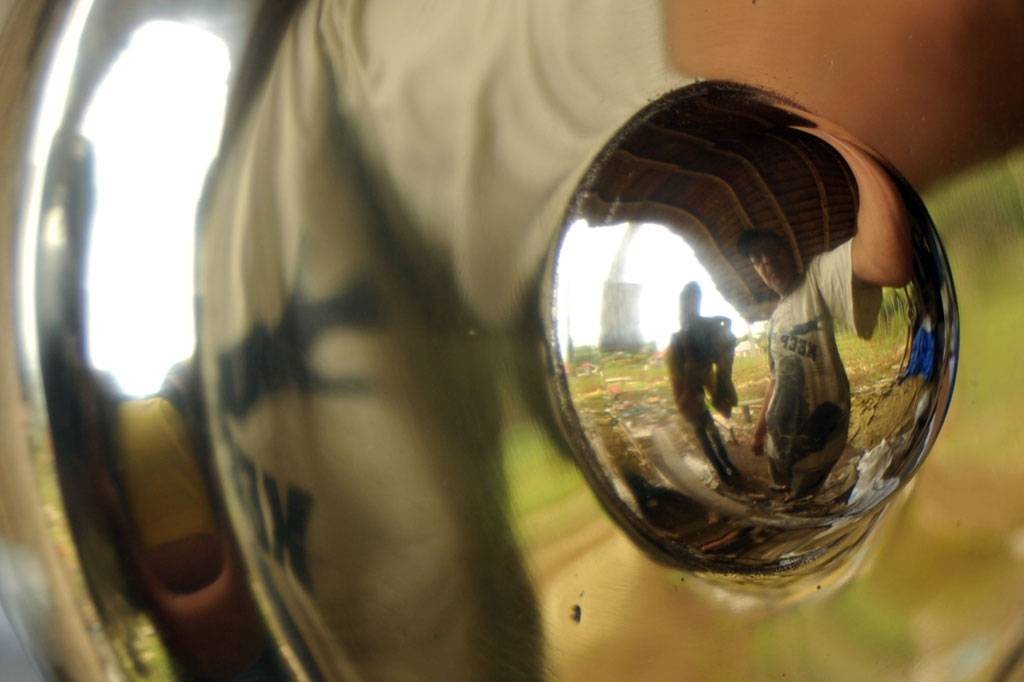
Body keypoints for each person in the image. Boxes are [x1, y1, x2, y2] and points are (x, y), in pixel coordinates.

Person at [739, 186, 911, 498]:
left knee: (801, 500)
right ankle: (785, 490)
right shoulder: (775, 319)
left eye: (771, 250)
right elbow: (774, 378)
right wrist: (760, 431)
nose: (766, 261)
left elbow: (892, 264)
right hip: (778, 443)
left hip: (815, 449)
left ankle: (796, 499)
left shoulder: (817, 277)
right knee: (780, 485)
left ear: (789, 250)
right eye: (756, 259)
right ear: (756, 272)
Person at [666, 281, 739, 483]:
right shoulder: (677, 342)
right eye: (691, 300)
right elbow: (682, 402)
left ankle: (728, 465)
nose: (694, 305)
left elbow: (726, 323)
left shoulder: (703, 326)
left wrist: (722, 361)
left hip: (701, 389)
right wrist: (691, 367)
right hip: (689, 392)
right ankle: (723, 473)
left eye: (696, 300)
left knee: (714, 434)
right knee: (705, 439)